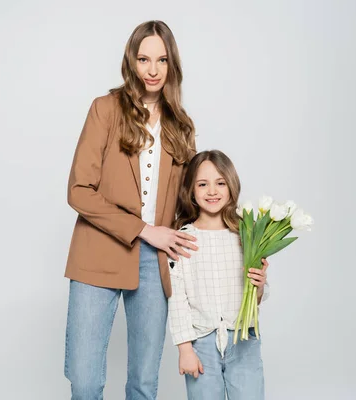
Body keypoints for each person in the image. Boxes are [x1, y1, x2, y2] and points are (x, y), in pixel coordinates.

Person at [63, 20, 197, 399]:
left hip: (155, 263)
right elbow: (78, 190)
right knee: (86, 381)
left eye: (161, 60)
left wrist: (236, 242)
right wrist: (142, 229)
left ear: (172, 65)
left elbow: (189, 205)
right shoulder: (104, 110)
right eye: (143, 59)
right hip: (97, 253)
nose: (152, 70)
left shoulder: (181, 126)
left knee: (143, 383)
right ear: (131, 62)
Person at [167, 150, 269, 400]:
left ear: (231, 186)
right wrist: (184, 350)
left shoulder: (246, 235)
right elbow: (177, 298)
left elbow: (255, 298)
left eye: (220, 183)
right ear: (191, 190)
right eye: (203, 184)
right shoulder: (183, 239)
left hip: (243, 339)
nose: (212, 191)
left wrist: (261, 285)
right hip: (201, 342)